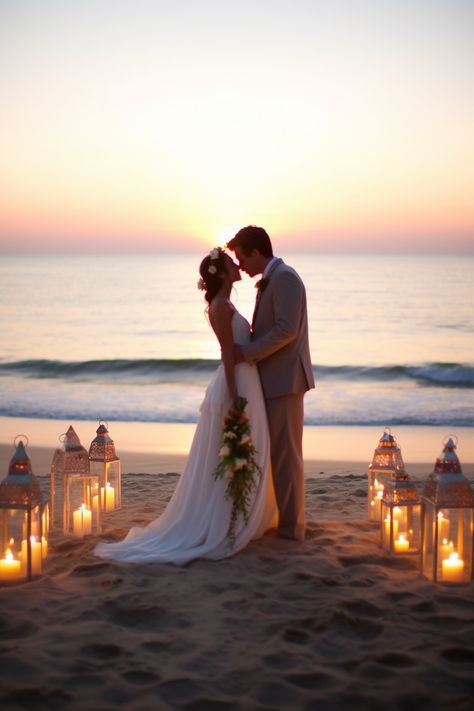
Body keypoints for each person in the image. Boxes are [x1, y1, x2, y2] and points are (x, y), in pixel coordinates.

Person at [95, 248, 277, 565]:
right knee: (232, 450)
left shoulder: (228, 304)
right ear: (221, 273)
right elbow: (226, 352)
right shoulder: (219, 307)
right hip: (237, 383)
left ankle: (242, 515)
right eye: (232, 265)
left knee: (251, 447)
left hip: (249, 381)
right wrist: (235, 396)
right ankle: (227, 518)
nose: (238, 268)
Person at [227, 226, 314, 541]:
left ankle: (293, 529)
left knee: (287, 456)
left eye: (241, 258)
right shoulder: (271, 280)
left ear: (255, 251)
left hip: (286, 381)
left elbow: (286, 330)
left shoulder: (285, 278)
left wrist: (247, 353)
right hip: (274, 381)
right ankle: (285, 521)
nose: (241, 266)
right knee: (279, 454)